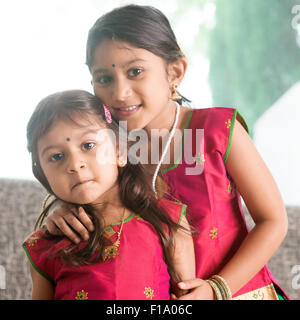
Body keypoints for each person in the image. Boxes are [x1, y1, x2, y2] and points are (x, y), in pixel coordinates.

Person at [44, 5, 289, 299]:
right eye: (104, 79)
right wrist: (63, 209)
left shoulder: (218, 130)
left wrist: (217, 289)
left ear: (175, 72)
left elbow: (273, 221)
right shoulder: (105, 149)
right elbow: (88, 196)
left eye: (135, 71)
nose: (119, 93)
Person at [23, 89, 195, 300]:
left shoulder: (167, 219)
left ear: (119, 151)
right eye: (57, 156)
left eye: (88, 145)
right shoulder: (45, 245)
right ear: (43, 175)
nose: (76, 165)